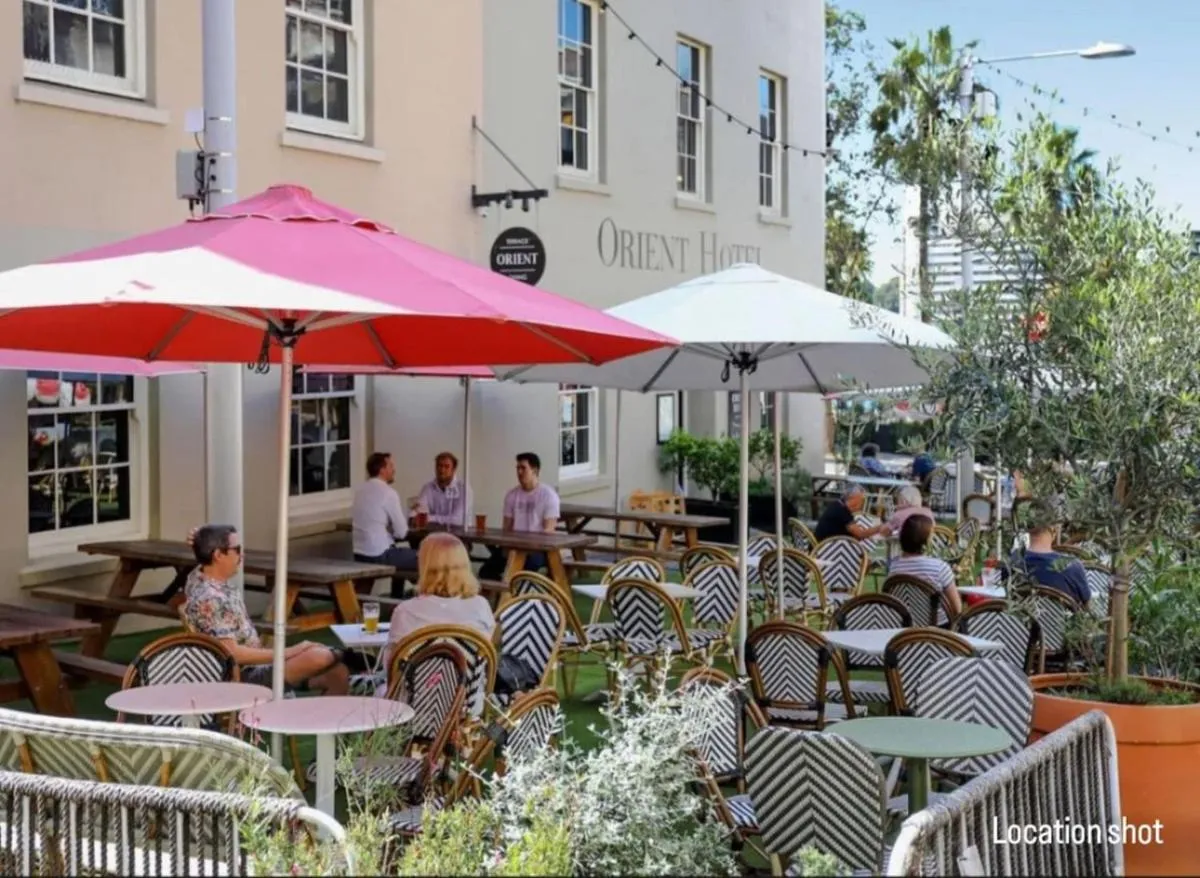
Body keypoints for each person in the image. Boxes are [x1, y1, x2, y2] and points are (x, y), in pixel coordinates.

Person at [182, 524, 349, 694]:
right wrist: (289, 652)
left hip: (258, 664)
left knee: (338, 673)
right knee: (318, 657)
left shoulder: (200, 578)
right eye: (237, 549)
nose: (242, 555)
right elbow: (232, 653)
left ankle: (343, 660)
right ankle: (347, 656)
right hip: (242, 675)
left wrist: (200, 543)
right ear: (218, 555)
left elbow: (203, 561)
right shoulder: (211, 598)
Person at [478, 452, 560, 580]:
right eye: (518, 468)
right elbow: (507, 528)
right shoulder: (512, 495)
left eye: (523, 468)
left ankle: (512, 594)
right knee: (486, 572)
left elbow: (549, 530)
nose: (519, 472)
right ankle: (502, 595)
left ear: (535, 470)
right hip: (513, 547)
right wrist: (506, 546)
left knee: (519, 572)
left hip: (538, 550)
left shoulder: (548, 495)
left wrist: (529, 547)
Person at [351, 452, 419, 598]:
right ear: (382, 470)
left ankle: (396, 598)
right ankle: (418, 601)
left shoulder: (359, 490)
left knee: (400, 554)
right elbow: (402, 532)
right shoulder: (388, 493)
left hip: (359, 553)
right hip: (378, 554)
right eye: (391, 466)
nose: (394, 470)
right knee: (424, 557)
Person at [1003, 499, 1091, 606]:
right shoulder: (1073, 567)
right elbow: (1087, 611)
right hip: (1061, 622)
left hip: (1020, 622)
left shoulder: (1011, 563)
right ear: (1052, 528)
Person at [887, 515, 963, 617]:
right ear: (926, 541)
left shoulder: (894, 568)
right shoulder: (940, 568)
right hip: (936, 629)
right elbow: (957, 609)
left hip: (904, 628)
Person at [813, 484, 891, 542]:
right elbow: (861, 534)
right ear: (852, 498)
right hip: (825, 550)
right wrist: (880, 527)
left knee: (864, 557)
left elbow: (856, 535)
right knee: (863, 558)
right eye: (861, 500)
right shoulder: (842, 512)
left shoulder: (838, 505)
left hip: (827, 546)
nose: (862, 504)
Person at [413, 451, 473, 527]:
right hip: (433, 534)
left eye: (446, 466)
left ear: (454, 469)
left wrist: (429, 518)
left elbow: (458, 520)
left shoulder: (464, 489)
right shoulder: (427, 488)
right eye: (439, 466)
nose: (442, 470)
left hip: (460, 536)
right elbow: (418, 512)